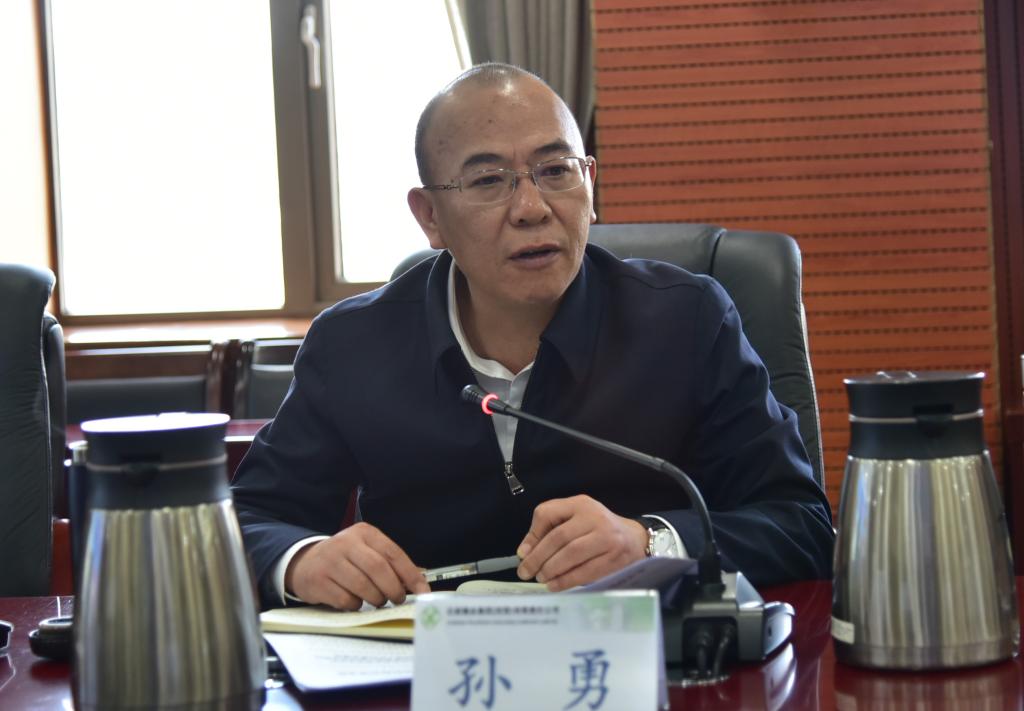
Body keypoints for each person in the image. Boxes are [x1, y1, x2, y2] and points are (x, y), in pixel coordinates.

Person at [231, 63, 834, 611]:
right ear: (430, 217)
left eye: (555, 171)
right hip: (425, 667)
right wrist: (302, 560)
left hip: (641, 663)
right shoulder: (354, 345)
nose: (531, 207)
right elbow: (249, 517)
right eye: (488, 181)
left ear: (589, 185)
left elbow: (800, 524)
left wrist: (649, 542)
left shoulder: (686, 320)